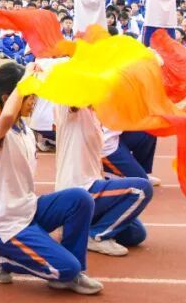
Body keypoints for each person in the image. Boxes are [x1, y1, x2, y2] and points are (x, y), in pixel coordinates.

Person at [0, 63, 103, 295]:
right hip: (6, 226)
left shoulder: (26, 133)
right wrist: (25, 79)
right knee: (67, 268)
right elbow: (7, 116)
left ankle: (71, 274)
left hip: (27, 210)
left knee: (80, 199)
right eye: (29, 96)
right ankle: (0, 257)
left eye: (34, 95)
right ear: (8, 97)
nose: (34, 101)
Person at [53, 104, 152, 256]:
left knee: (136, 233)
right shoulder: (70, 111)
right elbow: (69, 99)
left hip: (93, 183)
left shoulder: (94, 116)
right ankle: (95, 236)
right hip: (77, 192)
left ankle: (75, 227)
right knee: (142, 188)